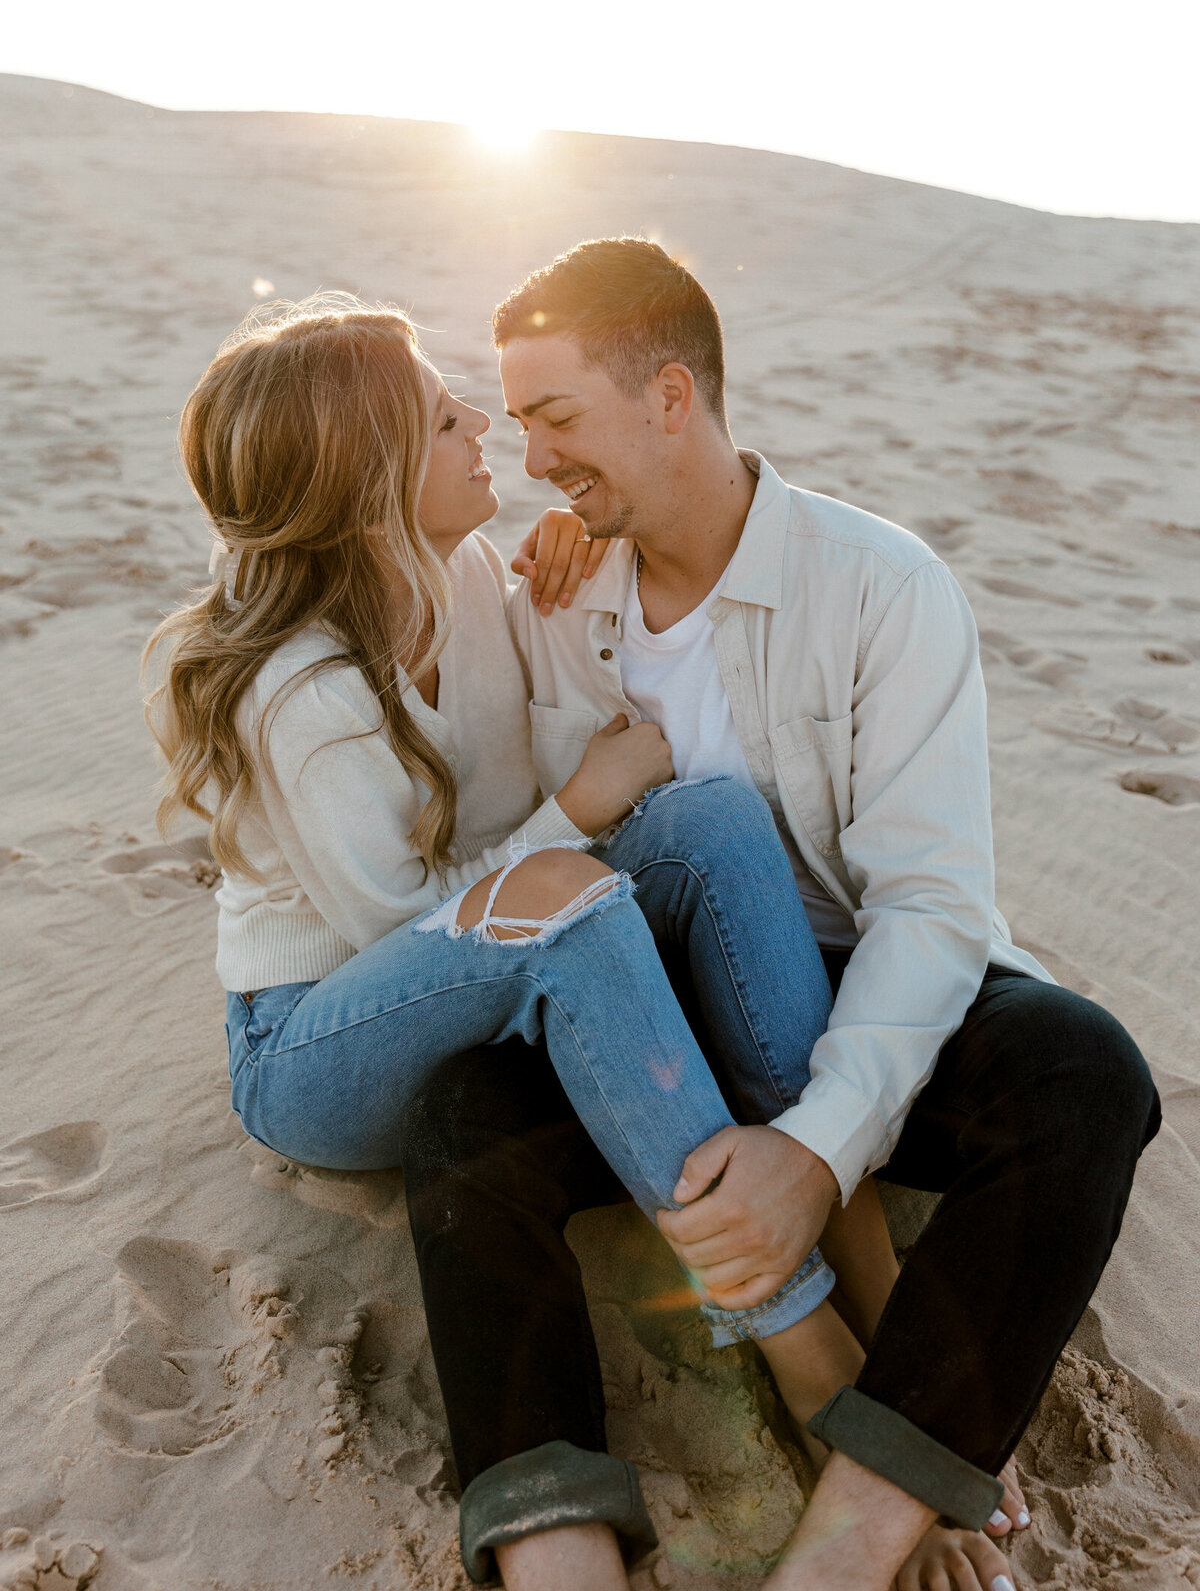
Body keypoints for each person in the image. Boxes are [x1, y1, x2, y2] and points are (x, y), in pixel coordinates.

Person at [401, 240, 1162, 1591]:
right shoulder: (555, 601)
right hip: (651, 1014)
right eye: (514, 424)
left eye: (558, 417)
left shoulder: (880, 585)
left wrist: (816, 1150)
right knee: (463, 1113)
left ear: (672, 394)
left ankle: (856, 1531)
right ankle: (552, 1537)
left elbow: (931, 905)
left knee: (1083, 1072)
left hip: (868, 984)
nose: (533, 460)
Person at [142, 293, 914, 1584]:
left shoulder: (471, 574)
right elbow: (417, 923)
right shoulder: (303, 689)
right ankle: (793, 1329)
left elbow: (538, 772)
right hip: (322, 1039)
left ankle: (823, 1189)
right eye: (446, 422)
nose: (487, 435)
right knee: (571, 902)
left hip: (481, 942)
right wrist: (586, 806)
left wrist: (566, 604)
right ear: (372, 479)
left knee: (713, 818)